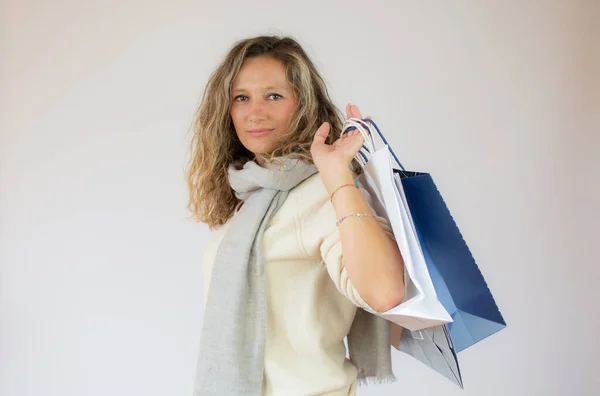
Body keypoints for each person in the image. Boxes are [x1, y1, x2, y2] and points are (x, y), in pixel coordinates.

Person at [185, 35, 406, 396]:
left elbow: (385, 293)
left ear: (303, 104)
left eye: (274, 95)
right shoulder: (250, 199)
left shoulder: (321, 191)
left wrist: (337, 178)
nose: (255, 112)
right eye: (241, 97)